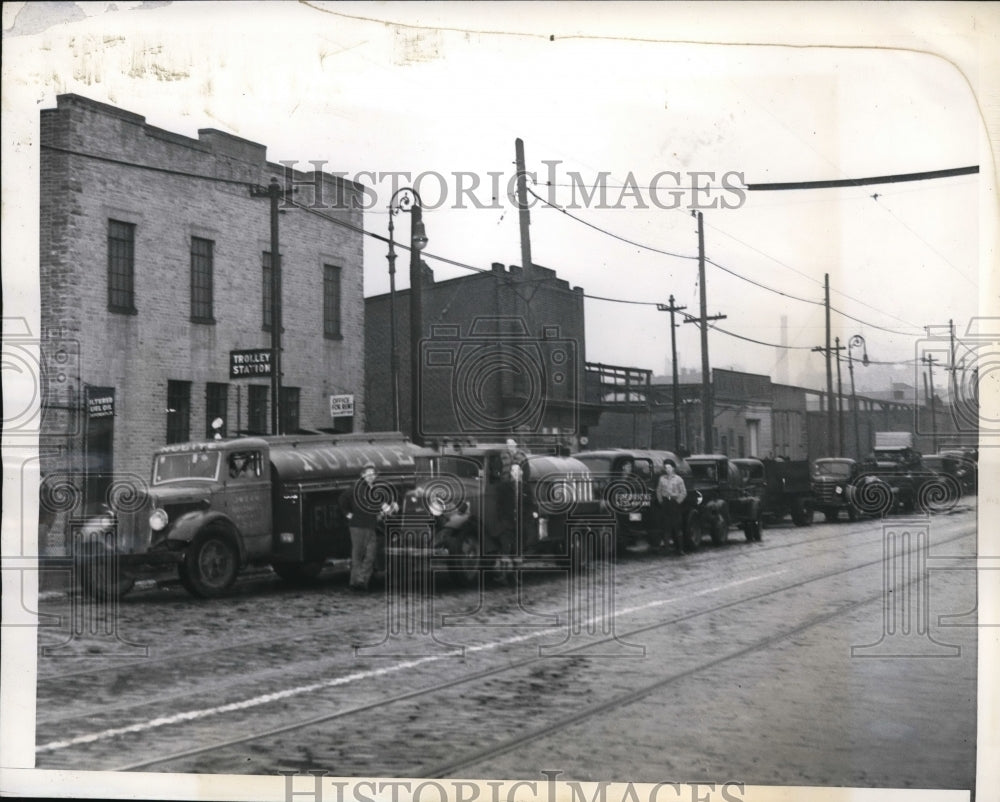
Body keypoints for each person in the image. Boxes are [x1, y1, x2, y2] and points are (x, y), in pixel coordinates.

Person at [339, 463, 383, 592]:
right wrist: (347, 514)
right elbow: (342, 499)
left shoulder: (375, 490)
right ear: (363, 475)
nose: (370, 476)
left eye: (372, 474)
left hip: (371, 526)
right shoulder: (355, 489)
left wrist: (381, 512)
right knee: (358, 555)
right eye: (367, 474)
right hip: (357, 527)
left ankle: (361, 579)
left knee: (370, 555)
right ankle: (356, 583)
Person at [656, 461, 688, 555]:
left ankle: (680, 549)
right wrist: (661, 501)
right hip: (666, 503)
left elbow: (683, 492)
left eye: (669, 468)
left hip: (674, 503)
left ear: (673, 468)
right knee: (666, 527)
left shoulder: (678, 479)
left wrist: (678, 502)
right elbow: (658, 490)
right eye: (666, 468)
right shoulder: (662, 479)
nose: (667, 470)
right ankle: (667, 549)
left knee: (677, 527)